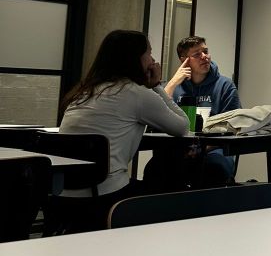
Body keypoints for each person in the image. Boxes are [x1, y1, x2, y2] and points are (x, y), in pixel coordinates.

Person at [57, 30, 189, 231]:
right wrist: (156, 86)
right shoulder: (135, 93)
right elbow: (182, 127)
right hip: (106, 196)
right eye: (148, 53)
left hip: (63, 194)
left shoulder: (84, 92)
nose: (153, 60)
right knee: (170, 182)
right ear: (134, 58)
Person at [162, 35, 242, 185]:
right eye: (197, 54)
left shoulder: (225, 86)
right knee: (156, 168)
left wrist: (201, 149)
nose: (204, 57)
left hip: (214, 149)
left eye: (205, 51)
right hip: (180, 149)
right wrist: (172, 83)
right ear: (184, 60)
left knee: (213, 168)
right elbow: (158, 114)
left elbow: (234, 125)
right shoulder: (175, 87)